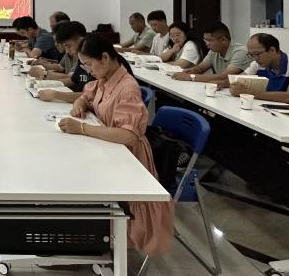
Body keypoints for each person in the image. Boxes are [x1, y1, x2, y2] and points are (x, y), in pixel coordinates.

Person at [57, 34, 173, 256]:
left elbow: (127, 135)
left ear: (105, 57)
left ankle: (97, 242)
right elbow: (87, 96)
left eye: (89, 64)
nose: (88, 70)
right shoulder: (105, 78)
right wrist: (80, 103)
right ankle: (83, 236)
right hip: (108, 147)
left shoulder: (127, 88)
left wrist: (82, 128)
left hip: (127, 155)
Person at [32, 21, 95, 103]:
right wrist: (42, 85)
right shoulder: (81, 58)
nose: (67, 51)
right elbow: (73, 80)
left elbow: (92, 95)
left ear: (81, 40)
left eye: (68, 46)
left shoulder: (94, 58)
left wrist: (56, 94)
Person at [172, 22, 250, 83]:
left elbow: (224, 77)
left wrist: (190, 77)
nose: (207, 43)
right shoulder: (214, 51)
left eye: (209, 40)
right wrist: (189, 71)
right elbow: (200, 69)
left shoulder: (240, 52)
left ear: (223, 40)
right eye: (205, 40)